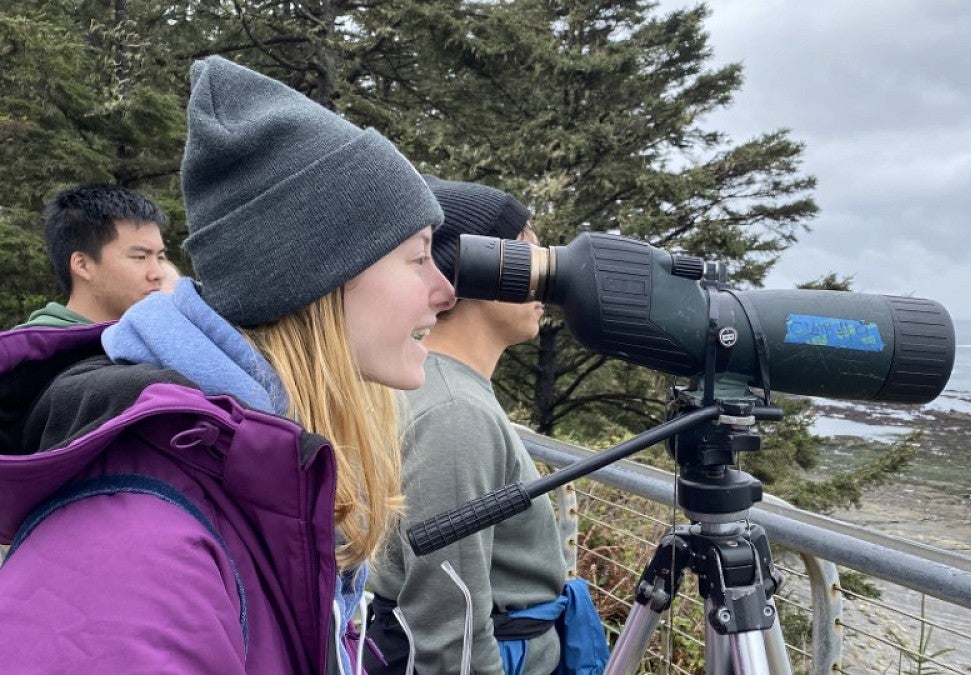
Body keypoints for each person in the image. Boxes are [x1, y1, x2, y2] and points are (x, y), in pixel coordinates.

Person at [0, 55, 454, 674]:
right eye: (418, 257)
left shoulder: (258, 470)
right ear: (313, 276)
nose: (445, 291)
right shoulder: (137, 555)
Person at [367, 178, 607, 675]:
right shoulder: (455, 412)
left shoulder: (437, 384)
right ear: (474, 269)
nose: (548, 281)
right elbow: (448, 619)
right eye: (529, 260)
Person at [14, 184, 169, 328]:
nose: (158, 274)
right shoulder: (37, 352)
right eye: (140, 257)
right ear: (82, 265)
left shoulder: (155, 343)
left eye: (160, 257)